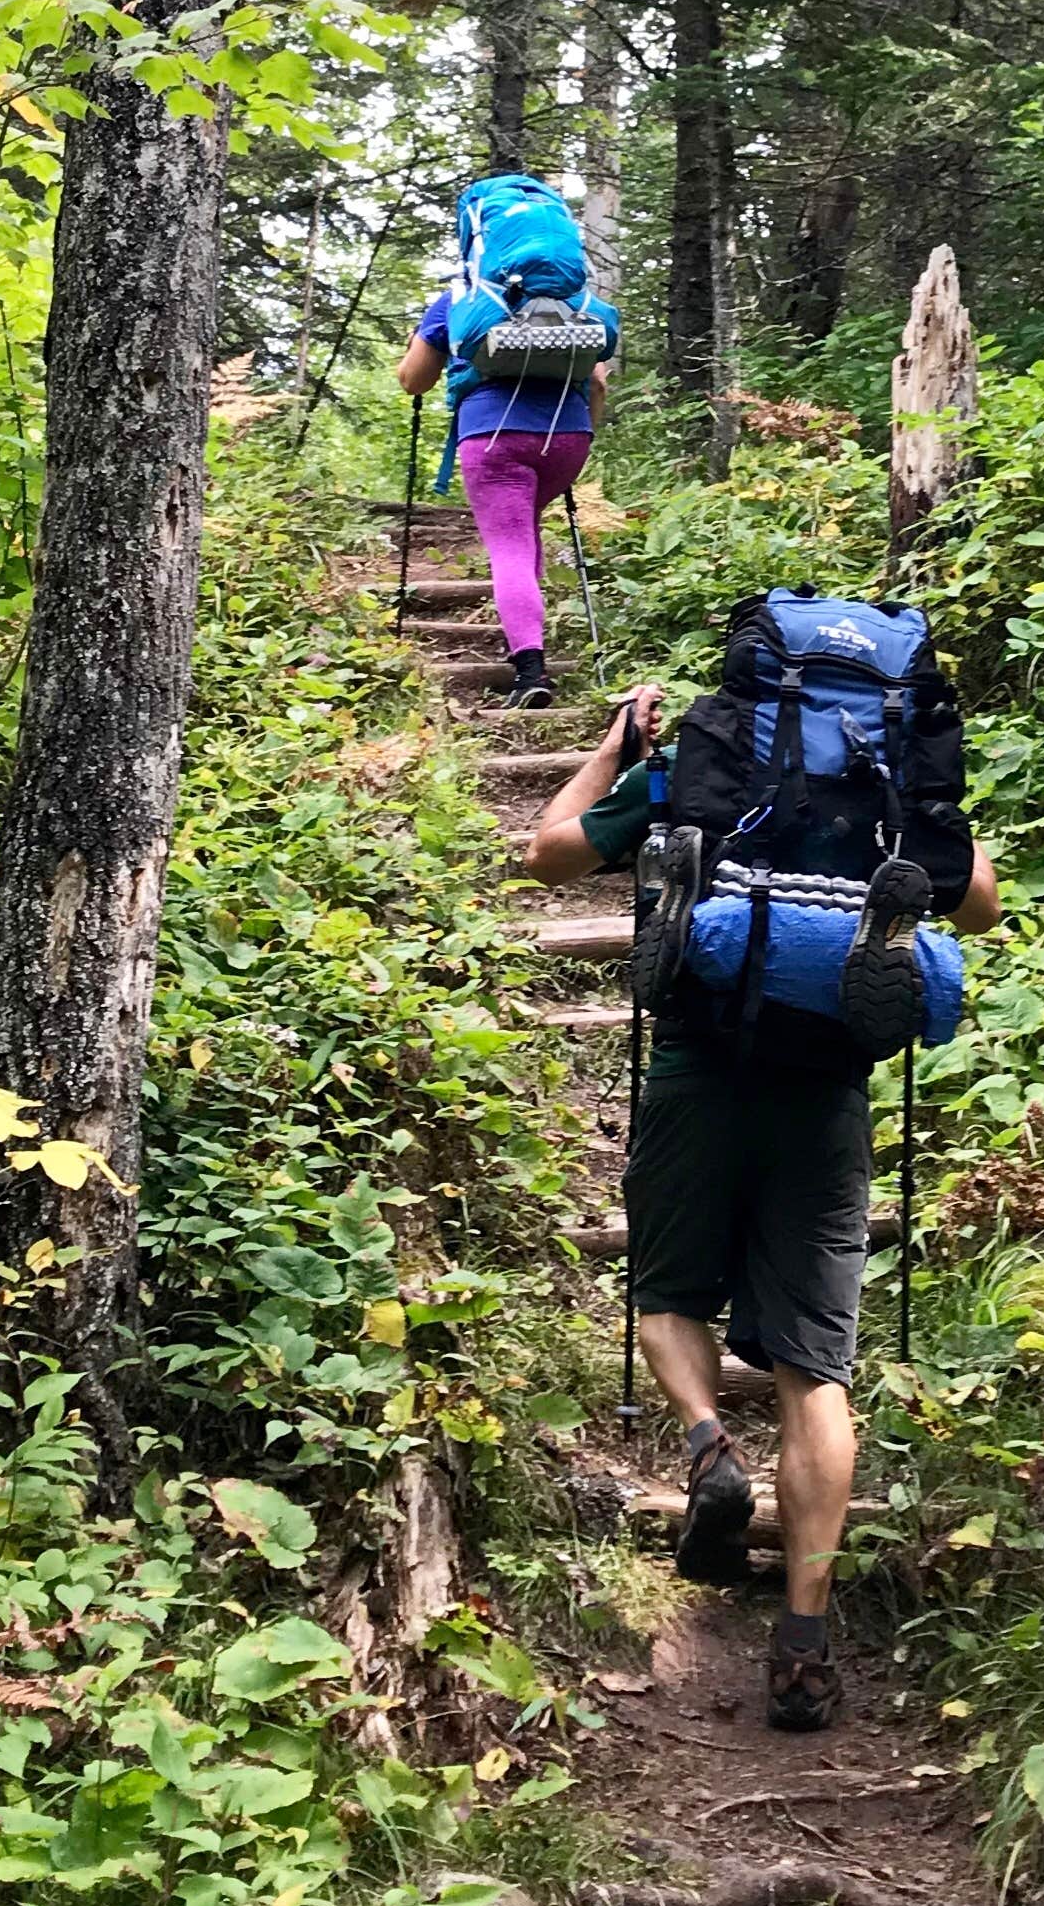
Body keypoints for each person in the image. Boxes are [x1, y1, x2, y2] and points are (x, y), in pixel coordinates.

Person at [524, 681, 1001, 1730]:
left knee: (663, 1294)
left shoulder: (702, 772)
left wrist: (613, 750)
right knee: (814, 1371)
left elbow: (548, 854)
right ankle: (802, 1642)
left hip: (700, 1070)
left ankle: (705, 1447)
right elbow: (981, 905)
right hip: (827, 1091)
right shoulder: (889, 793)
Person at [396, 274, 615, 706]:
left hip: (494, 432)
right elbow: (599, 383)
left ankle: (530, 671)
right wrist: (581, 430)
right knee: (525, 531)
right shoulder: (575, 301)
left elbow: (413, 381)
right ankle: (522, 639)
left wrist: (415, 345)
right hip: (569, 435)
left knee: (510, 547)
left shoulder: (462, 298)